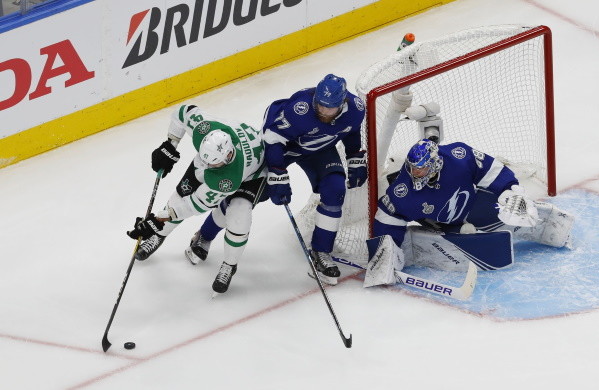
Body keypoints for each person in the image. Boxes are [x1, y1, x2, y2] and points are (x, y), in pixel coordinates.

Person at [126, 103, 267, 295]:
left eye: (213, 163)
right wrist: (170, 144)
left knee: (239, 216)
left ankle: (229, 265)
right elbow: (182, 113)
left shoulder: (227, 178)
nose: (207, 165)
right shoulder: (205, 130)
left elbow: (194, 205)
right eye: (205, 158)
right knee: (182, 193)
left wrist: (157, 220)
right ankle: (160, 235)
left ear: (227, 157)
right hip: (231, 158)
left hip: (253, 175)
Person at [373, 137, 574, 251]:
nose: (415, 173)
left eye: (421, 169)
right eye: (412, 168)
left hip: (470, 205)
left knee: (504, 213)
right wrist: (385, 249)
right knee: (466, 233)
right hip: (441, 222)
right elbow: (388, 215)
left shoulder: (459, 155)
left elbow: (491, 170)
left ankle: (545, 225)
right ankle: (456, 232)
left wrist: (510, 190)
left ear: (434, 164)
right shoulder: (402, 191)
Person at [261, 74, 367, 285]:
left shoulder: (356, 108)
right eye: (320, 105)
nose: (323, 111)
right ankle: (206, 234)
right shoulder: (299, 109)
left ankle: (321, 252)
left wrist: (354, 157)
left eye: (330, 108)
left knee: (335, 191)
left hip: (320, 150)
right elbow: (273, 138)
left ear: (343, 102)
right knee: (251, 192)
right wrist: (277, 171)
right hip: (286, 149)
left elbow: (351, 130)